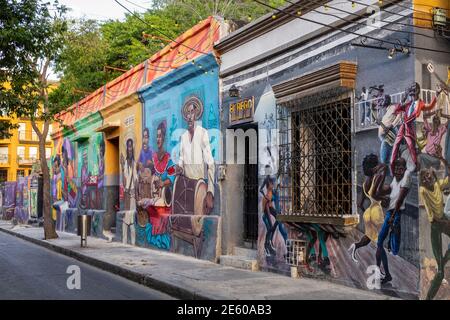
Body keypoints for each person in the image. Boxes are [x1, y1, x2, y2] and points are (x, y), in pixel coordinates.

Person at [419, 157, 450, 299]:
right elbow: (434, 217)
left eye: (429, 176)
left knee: (441, 265)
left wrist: (442, 159)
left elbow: (448, 176)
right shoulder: (423, 191)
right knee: (440, 274)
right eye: (424, 177)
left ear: (433, 177)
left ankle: (442, 262)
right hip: (436, 225)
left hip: (443, 218)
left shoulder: (438, 185)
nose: (427, 179)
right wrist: (445, 222)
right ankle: (428, 298)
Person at [390, 82, 439, 174]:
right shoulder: (408, 104)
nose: (411, 91)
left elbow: (430, 106)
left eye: (413, 88)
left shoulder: (420, 104)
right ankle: (392, 169)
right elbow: (396, 111)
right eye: (411, 88)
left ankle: (416, 167)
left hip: (409, 130)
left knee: (412, 149)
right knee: (395, 147)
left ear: (417, 91)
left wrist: (436, 95)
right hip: (402, 128)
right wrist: (403, 99)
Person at [376, 157, 411, 284]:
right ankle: (384, 273)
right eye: (396, 168)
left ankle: (384, 272)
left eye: (401, 168)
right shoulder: (394, 181)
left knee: (395, 250)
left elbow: (400, 201)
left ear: (404, 169)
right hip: (390, 214)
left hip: (395, 215)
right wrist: (382, 175)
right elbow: (382, 191)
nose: (398, 171)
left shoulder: (406, 179)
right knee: (379, 242)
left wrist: (392, 217)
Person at [178, 96, 215, 214]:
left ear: (196, 114)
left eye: (192, 112)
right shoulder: (183, 137)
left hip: (200, 188)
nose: (189, 116)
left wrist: (210, 192)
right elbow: (181, 160)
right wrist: (179, 168)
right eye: (187, 113)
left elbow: (210, 164)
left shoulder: (203, 133)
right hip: (186, 189)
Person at [348, 154, 386, 263]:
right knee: (380, 242)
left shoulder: (365, 184)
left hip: (368, 213)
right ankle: (380, 268)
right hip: (376, 211)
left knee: (368, 237)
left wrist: (367, 213)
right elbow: (384, 167)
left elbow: (360, 204)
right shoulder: (376, 179)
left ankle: (355, 245)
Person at [121, 138, 138, 211]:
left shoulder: (134, 162)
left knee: (133, 214)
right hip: (127, 193)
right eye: (128, 146)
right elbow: (124, 182)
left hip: (133, 194)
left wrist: (136, 193)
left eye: (131, 146)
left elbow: (136, 179)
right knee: (127, 215)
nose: (130, 149)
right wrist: (122, 167)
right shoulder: (125, 163)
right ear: (127, 148)